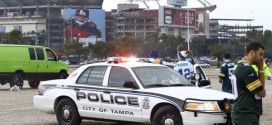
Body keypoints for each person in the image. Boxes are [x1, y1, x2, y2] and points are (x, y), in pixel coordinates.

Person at [231, 42, 266, 125]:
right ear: (252, 52)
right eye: (260, 54)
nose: (262, 58)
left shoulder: (241, 65)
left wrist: (260, 69)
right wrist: (260, 68)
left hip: (243, 113)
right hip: (245, 114)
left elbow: (259, 88)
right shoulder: (247, 69)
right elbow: (261, 93)